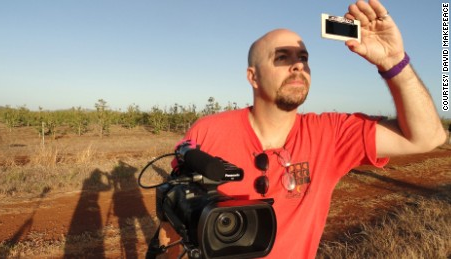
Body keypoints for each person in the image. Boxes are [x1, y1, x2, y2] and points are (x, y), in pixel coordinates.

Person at [156, 0, 447, 258]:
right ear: (253, 77)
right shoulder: (209, 132)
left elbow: (428, 137)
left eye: (304, 58)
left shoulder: (330, 134)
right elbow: (173, 214)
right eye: (282, 57)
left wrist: (393, 61)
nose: (298, 66)